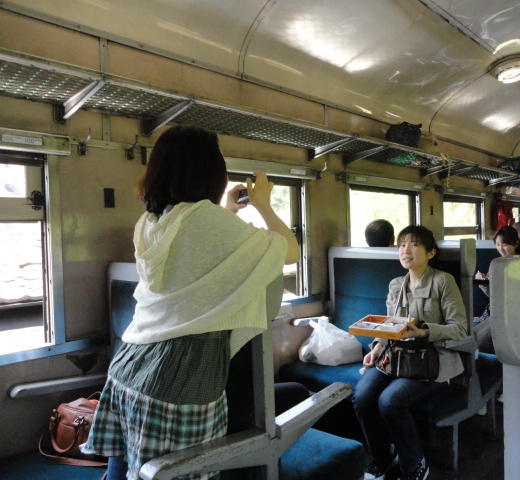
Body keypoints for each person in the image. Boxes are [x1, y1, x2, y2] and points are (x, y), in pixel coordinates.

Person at [80, 125, 299, 480]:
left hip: (131, 365)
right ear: (210, 173)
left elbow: (196, 257)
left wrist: (228, 211)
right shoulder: (203, 219)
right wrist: (262, 204)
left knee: (124, 467)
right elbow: (289, 251)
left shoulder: (152, 220)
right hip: (180, 377)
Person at [352, 225, 467, 480]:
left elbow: (460, 329)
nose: (406, 250)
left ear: (431, 253)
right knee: (362, 396)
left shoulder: (442, 281)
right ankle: (383, 455)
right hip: (396, 356)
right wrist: (377, 349)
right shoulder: (396, 285)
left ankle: (414, 464)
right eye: (402, 245)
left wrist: (423, 332)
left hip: (433, 359)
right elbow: (389, 327)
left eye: (414, 245)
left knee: (390, 400)